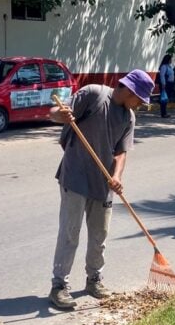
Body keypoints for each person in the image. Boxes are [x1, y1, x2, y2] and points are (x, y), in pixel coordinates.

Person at [48, 70, 153, 310]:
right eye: (140, 98)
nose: (140, 104)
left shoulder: (129, 117)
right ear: (129, 90)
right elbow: (56, 113)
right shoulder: (93, 95)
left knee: (99, 236)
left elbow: (121, 152)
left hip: (103, 183)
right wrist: (60, 115)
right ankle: (58, 286)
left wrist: (116, 177)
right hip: (74, 177)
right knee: (70, 234)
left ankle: (94, 279)